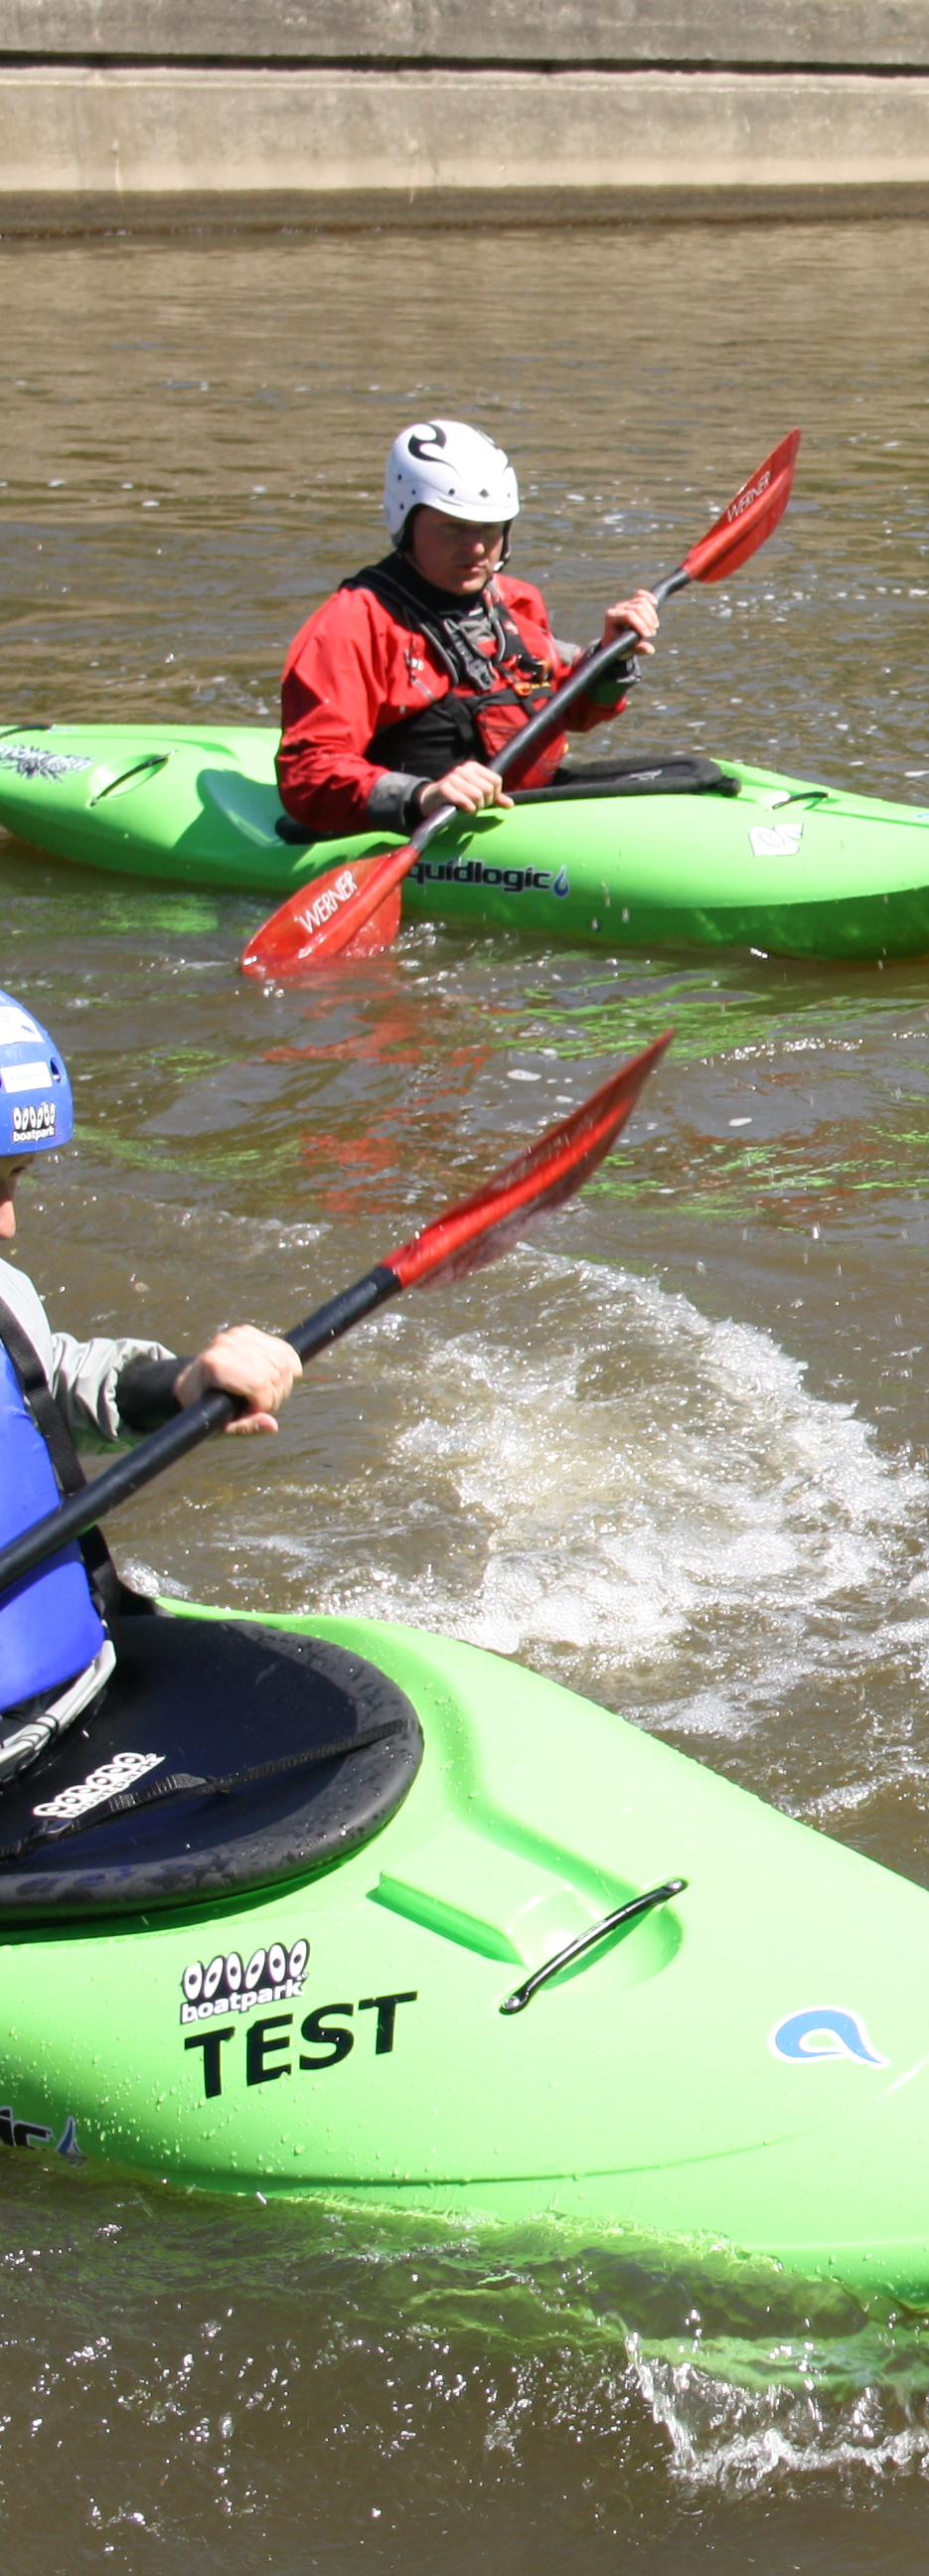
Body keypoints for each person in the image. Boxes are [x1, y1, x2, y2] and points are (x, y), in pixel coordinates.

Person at [0, 997, 302, 1783]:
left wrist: (181, 1383)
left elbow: (46, 1386)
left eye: (15, 1179)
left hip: (67, 1693)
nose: (7, 1225)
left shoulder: (1, 1292)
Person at [275, 418, 660, 841]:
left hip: (523, 811)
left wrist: (610, 658)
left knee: (697, 773)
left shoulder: (516, 601)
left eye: (490, 528)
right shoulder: (353, 624)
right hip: (427, 825)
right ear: (407, 522)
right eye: (453, 526)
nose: (476, 548)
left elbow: (563, 710)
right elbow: (308, 772)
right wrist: (423, 796)